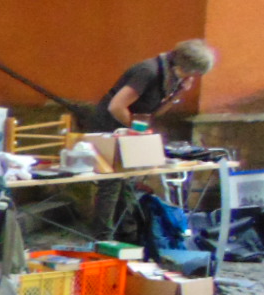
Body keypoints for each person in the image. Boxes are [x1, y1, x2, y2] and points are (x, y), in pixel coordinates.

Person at [86, 39, 216, 237]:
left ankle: (128, 235)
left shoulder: (170, 77)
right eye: (196, 73)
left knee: (127, 183)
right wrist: (137, 130)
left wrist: (178, 93)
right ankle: (102, 239)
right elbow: (116, 106)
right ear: (186, 66)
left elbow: (157, 111)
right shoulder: (148, 71)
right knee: (111, 185)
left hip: (129, 129)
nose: (195, 77)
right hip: (109, 127)